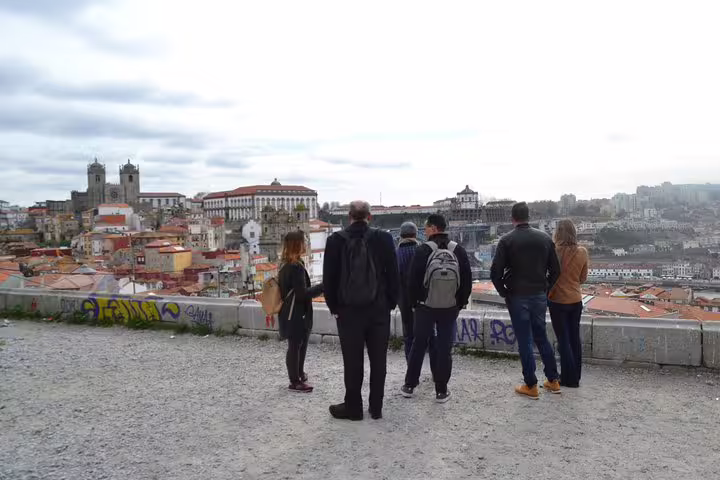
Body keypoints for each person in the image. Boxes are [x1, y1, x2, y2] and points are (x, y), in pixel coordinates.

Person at [323, 201, 399, 420]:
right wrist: (390, 302)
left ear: (349, 217)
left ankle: (353, 408)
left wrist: (334, 307)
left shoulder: (335, 240)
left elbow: (329, 279)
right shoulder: (383, 239)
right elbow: (394, 274)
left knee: (352, 360)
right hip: (378, 309)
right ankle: (376, 408)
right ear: (369, 217)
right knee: (379, 360)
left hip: (348, 311)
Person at [490, 202, 562, 399]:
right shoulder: (545, 239)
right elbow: (556, 270)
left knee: (525, 340)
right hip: (539, 294)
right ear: (528, 217)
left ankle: (531, 385)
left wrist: (504, 292)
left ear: (513, 219)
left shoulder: (506, 240)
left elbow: (495, 272)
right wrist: (545, 286)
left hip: (517, 295)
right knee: (541, 337)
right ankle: (553, 380)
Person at [401, 214, 472, 403]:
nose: (424, 231)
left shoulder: (423, 250)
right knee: (444, 347)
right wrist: (460, 302)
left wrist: (415, 303)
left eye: (426, 227)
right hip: (449, 306)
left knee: (419, 344)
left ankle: (409, 385)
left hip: (425, 306)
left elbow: (412, 281)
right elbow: (466, 279)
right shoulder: (458, 250)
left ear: (433, 228)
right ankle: (441, 390)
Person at [278, 230, 323, 393]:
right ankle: (295, 381)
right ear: (298, 245)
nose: (306, 244)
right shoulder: (295, 267)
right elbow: (301, 294)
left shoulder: (285, 264)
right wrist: (322, 287)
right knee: (296, 345)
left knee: (298, 344)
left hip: (289, 311)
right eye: (303, 242)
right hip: (296, 312)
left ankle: (299, 374)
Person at [548, 219, 589, 388]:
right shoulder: (582, 252)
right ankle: (576, 376)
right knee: (574, 339)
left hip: (557, 300)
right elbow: (583, 278)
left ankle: (567, 378)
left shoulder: (553, 251)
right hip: (575, 300)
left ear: (557, 232)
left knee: (563, 339)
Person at [397, 221, 437, 370]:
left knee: (408, 336)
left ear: (401, 235)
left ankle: (412, 370)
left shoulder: (395, 254)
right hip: (424, 299)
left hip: (404, 300)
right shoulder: (423, 251)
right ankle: (436, 371)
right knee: (430, 334)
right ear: (415, 234)